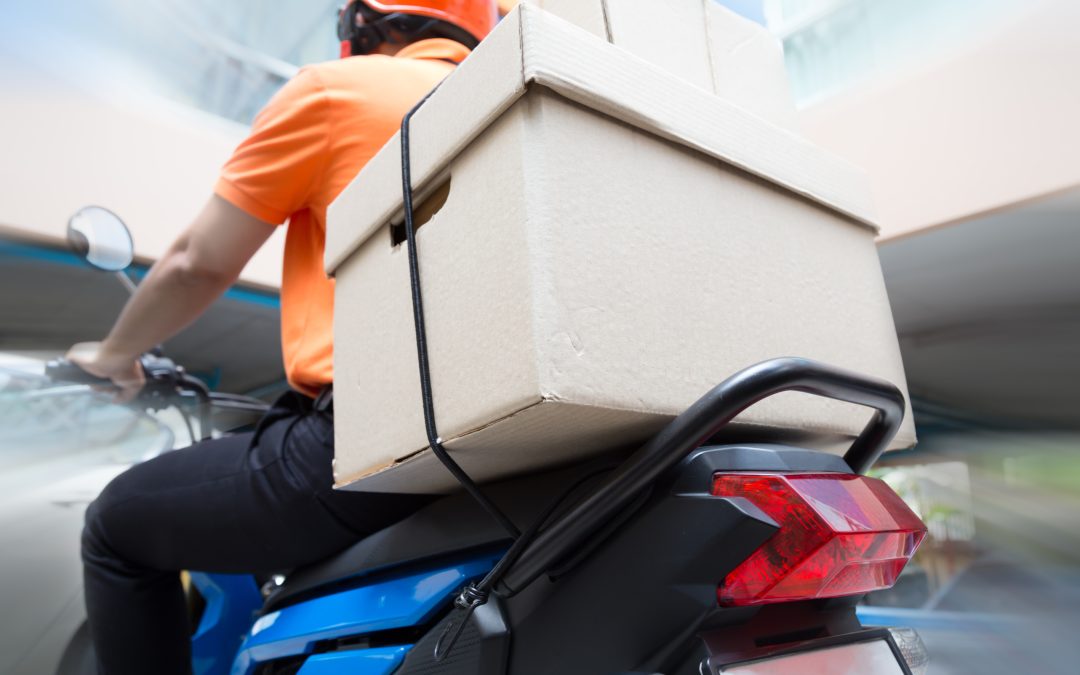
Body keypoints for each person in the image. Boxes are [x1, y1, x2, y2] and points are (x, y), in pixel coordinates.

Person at [66, 1, 498, 672]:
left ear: (367, 23)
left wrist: (113, 355)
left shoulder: (335, 92)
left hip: (359, 448)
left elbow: (196, 264)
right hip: (489, 442)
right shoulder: (506, 105)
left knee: (115, 525)